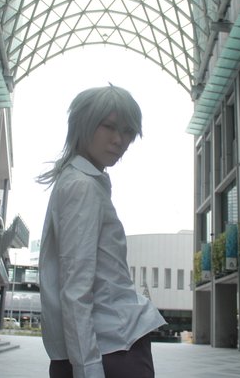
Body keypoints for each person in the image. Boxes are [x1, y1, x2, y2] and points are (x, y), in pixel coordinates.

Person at [37, 85, 166, 378]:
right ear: (83, 124)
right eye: (108, 126)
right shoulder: (82, 186)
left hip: (106, 346)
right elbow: (75, 287)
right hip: (111, 348)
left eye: (128, 131)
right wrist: (88, 369)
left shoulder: (82, 181)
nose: (119, 140)